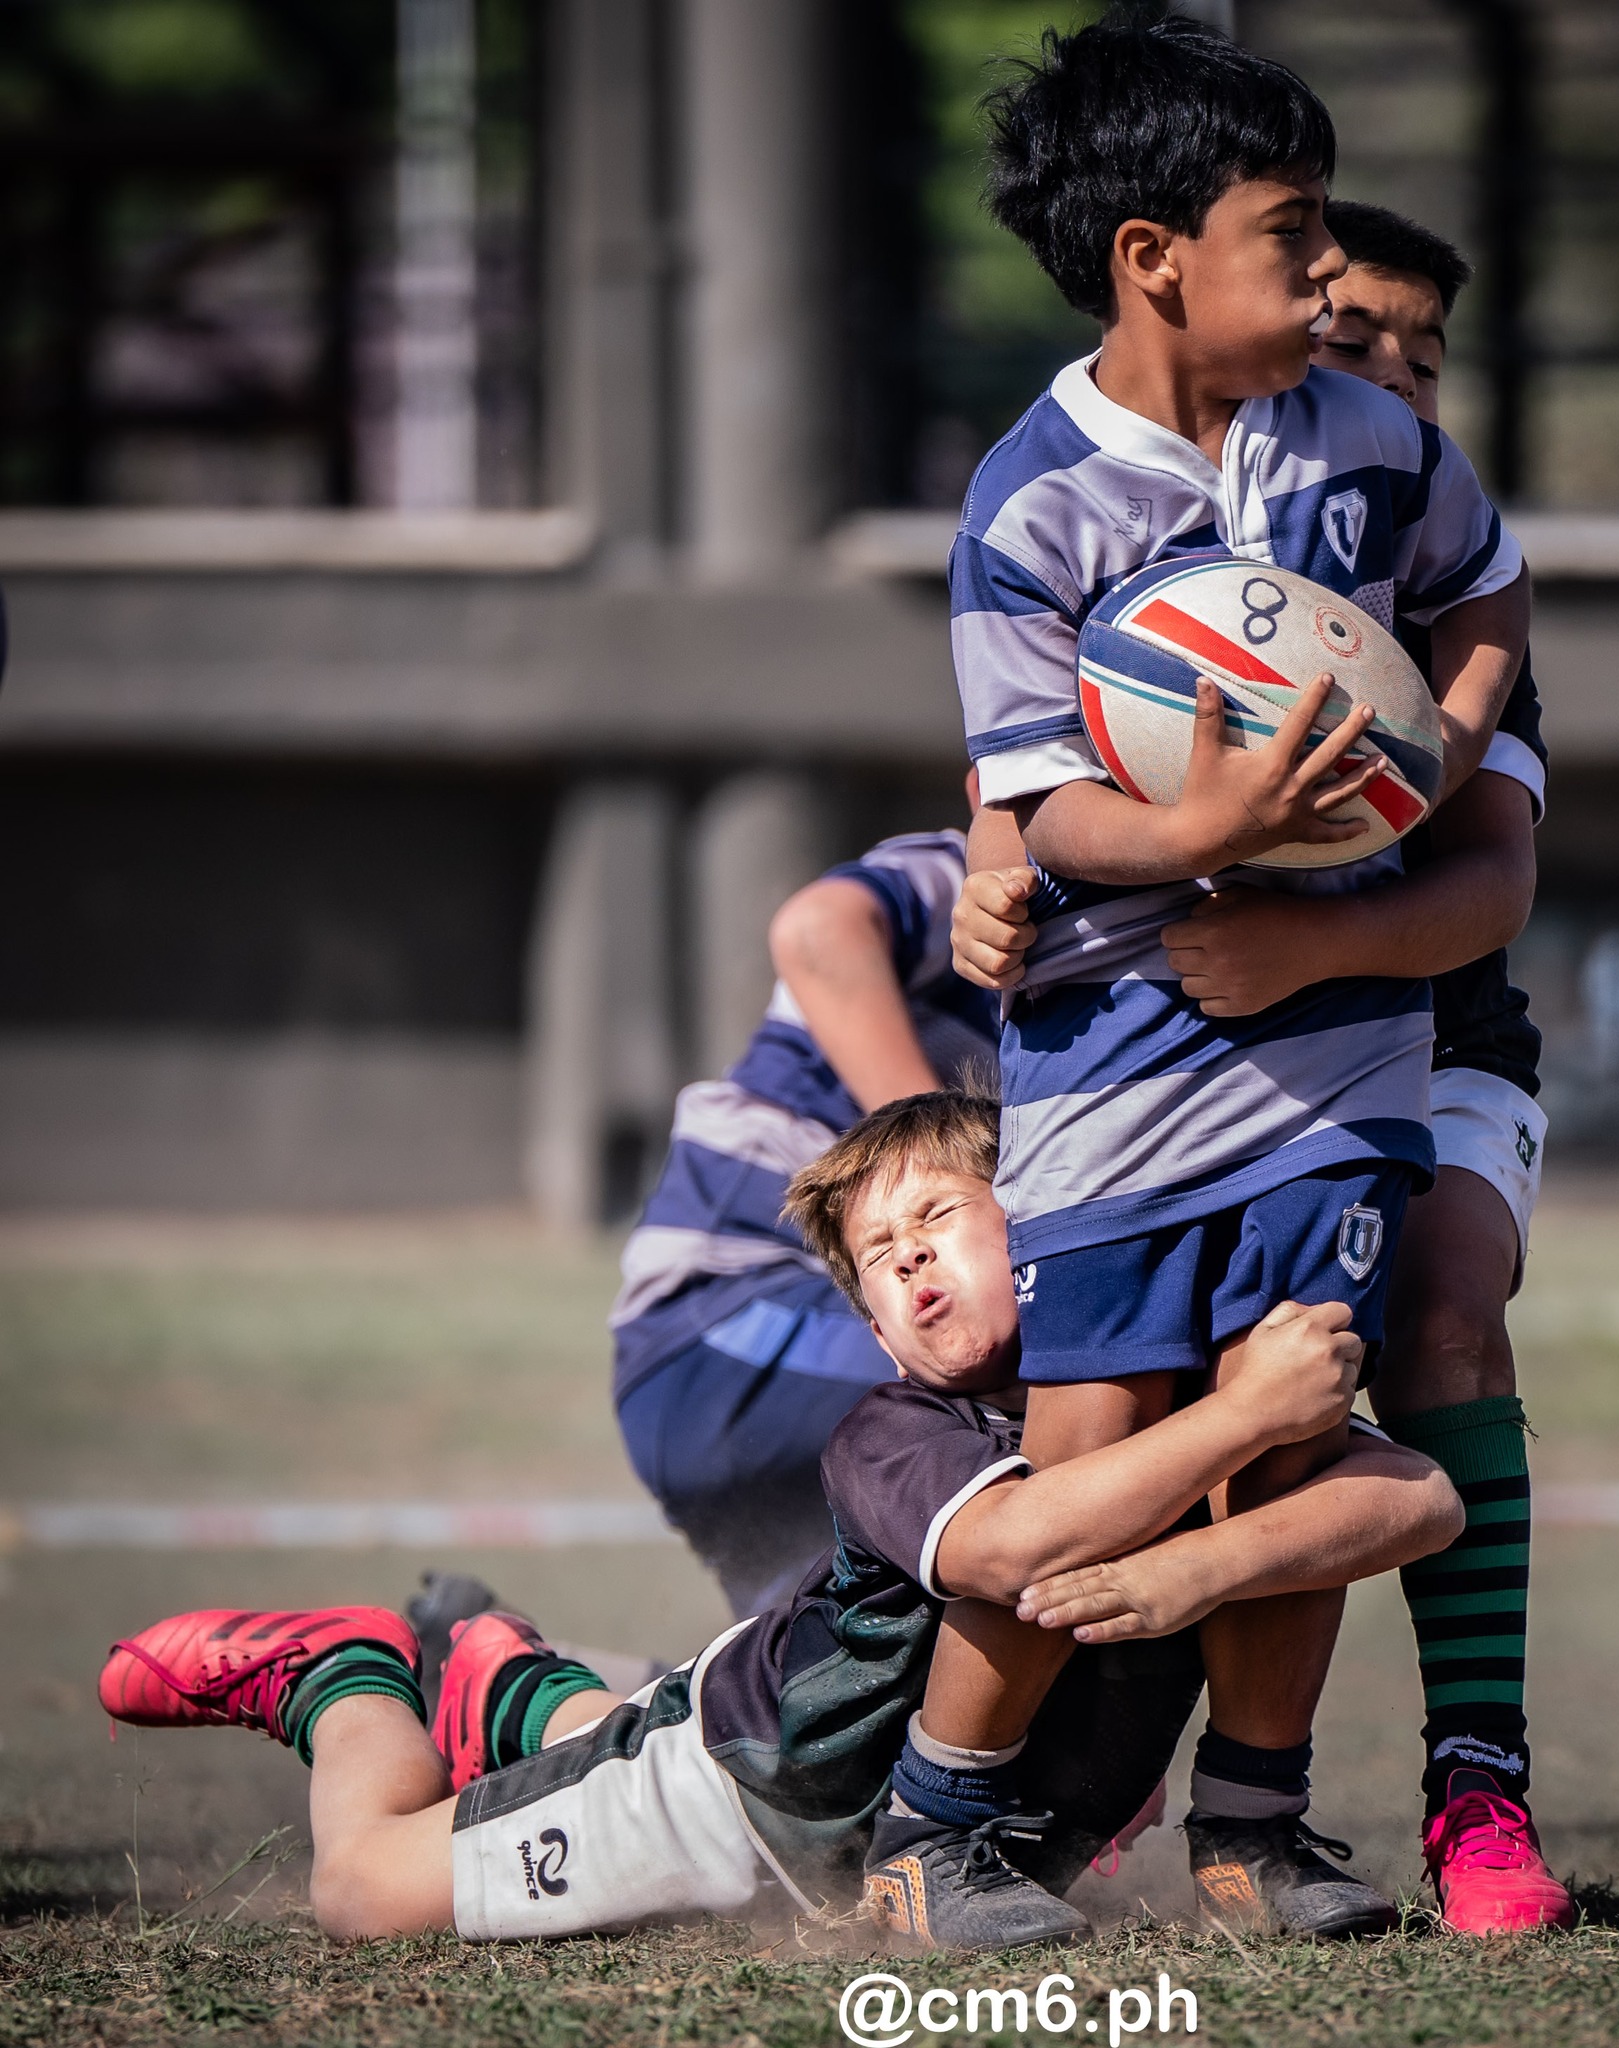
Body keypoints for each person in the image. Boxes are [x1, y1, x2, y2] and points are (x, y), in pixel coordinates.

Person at [902, 8, 1530, 1940]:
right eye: (1295, 234)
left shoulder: (1368, 445)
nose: (1331, 277)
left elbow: (1483, 593)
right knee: (1092, 1448)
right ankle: (943, 1822)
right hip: (1110, 1052)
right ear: (1150, 259)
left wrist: (1427, 747)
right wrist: (1184, 832)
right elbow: (1046, 803)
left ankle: (1255, 1823)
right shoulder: (1033, 504)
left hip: (1339, 1049)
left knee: (1287, 1410)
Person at [97, 1091, 1462, 1951]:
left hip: (788, 1717)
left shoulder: (1138, 1399)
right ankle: (338, 1671)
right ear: (871, 1323)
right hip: (730, 1798)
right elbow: (1007, 1553)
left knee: (608, 1723)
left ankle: (498, 1669)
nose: (912, 1255)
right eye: (882, 1257)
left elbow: (1423, 1500)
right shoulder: (893, 1431)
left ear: (1048, 1232)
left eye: (941, 1215)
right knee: (366, 1891)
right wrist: (1242, 1422)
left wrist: (1203, 1568)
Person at [609, 820, 998, 1616]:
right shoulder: (969, 871)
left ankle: (500, 1685)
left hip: (725, 1361)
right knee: (1071, 1392)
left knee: (800, 1704)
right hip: (727, 1319)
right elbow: (818, 931)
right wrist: (929, 1163)